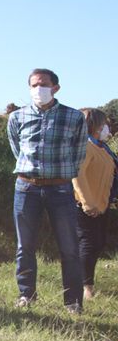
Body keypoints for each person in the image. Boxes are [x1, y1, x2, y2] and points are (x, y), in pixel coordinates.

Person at [8, 68, 88, 313]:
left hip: (60, 190)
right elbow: (16, 149)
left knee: (69, 247)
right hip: (26, 188)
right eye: (33, 85)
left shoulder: (74, 117)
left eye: (43, 84)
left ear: (56, 88)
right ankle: (26, 295)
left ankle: (72, 301)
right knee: (25, 246)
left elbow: (79, 153)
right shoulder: (17, 117)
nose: (37, 89)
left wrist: (60, 175)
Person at [73, 109, 117, 300]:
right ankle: (86, 288)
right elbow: (78, 174)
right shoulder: (85, 146)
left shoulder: (101, 147)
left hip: (102, 205)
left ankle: (85, 282)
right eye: (104, 123)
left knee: (98, 243)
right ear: (96, 125)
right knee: (89, 244)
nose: (107, 127)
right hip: (86, 206)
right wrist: (87, 202)